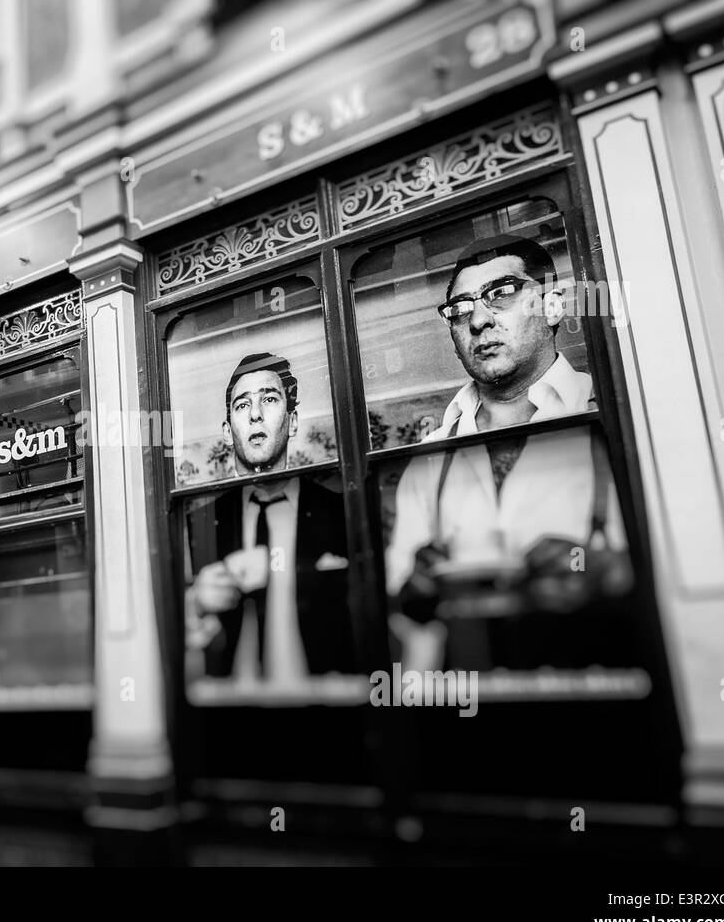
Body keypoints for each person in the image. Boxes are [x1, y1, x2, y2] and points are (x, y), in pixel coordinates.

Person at [386, 234, 627, 622]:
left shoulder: (620, 414)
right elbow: (396, 609)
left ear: (552, 306)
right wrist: (414, 592)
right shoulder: (431, 457)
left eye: (502, 292)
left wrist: (611, 574)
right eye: (461, 309)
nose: (479, 320)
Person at [186, 352, 352, 684]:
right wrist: (195, 604)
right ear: (227, 431)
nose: (256, 415)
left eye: (270, 399)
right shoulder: (198, 523)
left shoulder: (342, 510)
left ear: (291, 422)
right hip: (228, 714)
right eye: (242, 405)